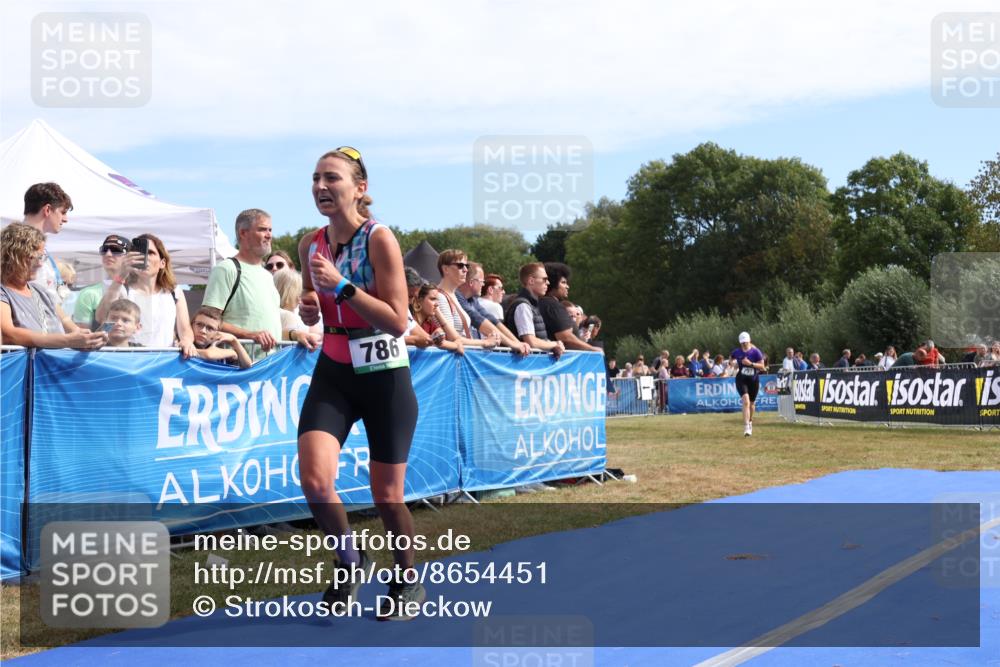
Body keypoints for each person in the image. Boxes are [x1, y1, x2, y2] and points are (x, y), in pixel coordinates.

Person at [296, 146, 424, 619]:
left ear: (360, 188)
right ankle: (349, 559)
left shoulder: (380, 239)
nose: (321, 187)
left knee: (387, 497)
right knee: (313, 480)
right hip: (334, 371)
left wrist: (343, 288)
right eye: (315, 179)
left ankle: (407, 578)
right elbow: (316, 299)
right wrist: (312, 306)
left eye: (332, 178)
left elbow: (397, 321)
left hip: (385, 376)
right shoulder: (310, 244)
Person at [0, 223, 105, 350]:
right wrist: (67, 341)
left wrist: (89, 341)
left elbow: (72, 331)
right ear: (12, 256)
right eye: (33, 257)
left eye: (42, 257)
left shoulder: (41, 292)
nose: (40, 264)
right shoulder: (3, 292)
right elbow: (8, 335)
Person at [93, 234, 196, 356]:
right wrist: (121, 275)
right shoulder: (122, 288)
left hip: (163, 360)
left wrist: (187, 341)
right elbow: (101, 318)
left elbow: (185, 329)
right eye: (140, 253)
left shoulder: (174, 291)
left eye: (151, 253)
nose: (144, 257)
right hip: (129, 359)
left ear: (162, 263)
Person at [202, 208, 283, 357]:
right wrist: (249, 335)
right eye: (262, 229)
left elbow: (272, 323)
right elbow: (207, 321)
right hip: (239, 368)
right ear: (243, 233)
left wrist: (298, 335)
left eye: (270, 230)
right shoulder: (226, 269)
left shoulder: (267, 275)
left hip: (271, 366)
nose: (269, 235)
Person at [434, 250, 499, 350]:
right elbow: (452, 339)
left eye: (466, 266)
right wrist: (485, 342)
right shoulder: (440, 297)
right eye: (460, 266)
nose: (465, 270)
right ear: (446, 269)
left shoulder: (453, 295)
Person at [22, 182, 73, 306]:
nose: (65, 219)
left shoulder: (39, 247)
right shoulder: (18, 248)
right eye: (63, 212)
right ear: (47, 210)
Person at [503, 262, 564, 357]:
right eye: (544, 279)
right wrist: (554, 344)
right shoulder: (523, 306)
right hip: (523, 366)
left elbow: (537, 339)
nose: (548, 283)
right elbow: (531, 342)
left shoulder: (531, 305)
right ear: (531, 281)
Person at [538, 263, 602, 353]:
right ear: (552, 284)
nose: (567, 286)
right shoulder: (553, 305)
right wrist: (592, 349)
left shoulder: (541, 303)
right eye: (563, 282)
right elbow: (566, 338)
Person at [74, 234, 131, 329]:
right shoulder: (89, 293)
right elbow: (82, 335)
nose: (108, 254)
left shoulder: (140, 290)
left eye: (116, 250)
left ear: (129, 256)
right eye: (104, 250)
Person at [188, 307, 252, 368]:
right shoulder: (182, 343)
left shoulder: (219, 352)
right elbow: (208, 354)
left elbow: (247, 365)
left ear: (217, 333)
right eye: (199, 324)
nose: (203, 331)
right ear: (191, 324)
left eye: (210, 328)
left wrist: (234, 340)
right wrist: (231, 352)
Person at [273, 267, 322, 346]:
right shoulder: (286, 315)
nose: (300, 297)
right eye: (299, 291)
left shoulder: (273, 312)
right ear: (288, 292)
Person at [410, 283, 463, 354]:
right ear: (419, 300)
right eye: (432, 299)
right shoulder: (410, 321)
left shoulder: (429, 323)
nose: (437, 304)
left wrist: (438, 313)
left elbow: (455, 338)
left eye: (437, 300)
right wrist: (456, 345)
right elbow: (446, 344)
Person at [731, 331, 765, 437]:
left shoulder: (756, 352)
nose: (744, 345)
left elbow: (762, 367)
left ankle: (750, 421)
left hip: (753, 380)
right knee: (745, 401)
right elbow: (731, 360)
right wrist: (734, 364)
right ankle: (746, 427)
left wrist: (750, 364)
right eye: (742, 343)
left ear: (749, 341)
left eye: (745, 342)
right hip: (741, 379)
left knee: (752, 403)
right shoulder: (736, 352)